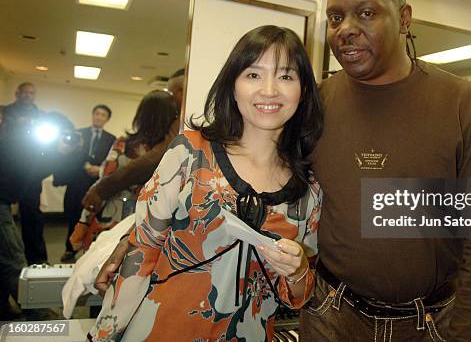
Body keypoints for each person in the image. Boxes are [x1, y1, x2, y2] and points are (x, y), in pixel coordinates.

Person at [95, 0, 471, 342]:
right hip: (333, 316)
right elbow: (218, 154)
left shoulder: (465, 106)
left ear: (403, 19)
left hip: (429, 323)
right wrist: (135, 235)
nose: (346, 27)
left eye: (366, 12)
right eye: (335, 16)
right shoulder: (317, 102)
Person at [88, 25, 324, 341]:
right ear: (233, 86)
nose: (269, 90)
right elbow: (141, 252)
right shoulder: (190, 151)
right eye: (253, 75)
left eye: (285, 76)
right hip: (161, 329)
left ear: (303, 90)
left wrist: (296, 272)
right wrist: (104, 334)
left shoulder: (308, 190)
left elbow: (296, 296)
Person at [70, 91, 177, 251]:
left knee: (101, 265)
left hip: (112, 216)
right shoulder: (173, 149)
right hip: (149, 222)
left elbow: (104, 180)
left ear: (141, 115)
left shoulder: (123, 144)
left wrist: (84, 222)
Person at [0, 111, 77, 319]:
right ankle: (39, 312)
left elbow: (39, 175)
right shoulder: (18, 140)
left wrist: (60, 154)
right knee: (13, 260)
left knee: (5, 257)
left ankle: (4, 308)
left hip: (4, 202)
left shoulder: (34, 148)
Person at [80, 69, 185, 213]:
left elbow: (148, 162)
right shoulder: (177, 138)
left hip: (116, 215)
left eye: (173, 93)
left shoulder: (124, 145)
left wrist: (100, 189)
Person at [55, 105, 115, 263]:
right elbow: (70, 155)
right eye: (97, 113)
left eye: (103, 115)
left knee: (95, 218)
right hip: (77, 181)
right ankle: (70, 249)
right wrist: (85, 165)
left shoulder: (112, 139)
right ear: (92, 115)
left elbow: (111, 159)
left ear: (107, 119)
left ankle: (91, 251)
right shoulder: (78, 134)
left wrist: (99, 169)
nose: (99, 117)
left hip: (98, 184)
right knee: (74, 216)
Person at [1, 82, 50, 264]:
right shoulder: (5, 113)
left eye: (32, 93)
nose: (29, 95)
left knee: (32, 217)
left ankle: (37, 260)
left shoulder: (41, 118)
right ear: (17, 93)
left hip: (30, 173)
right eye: (25, 92)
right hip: (6, 172)